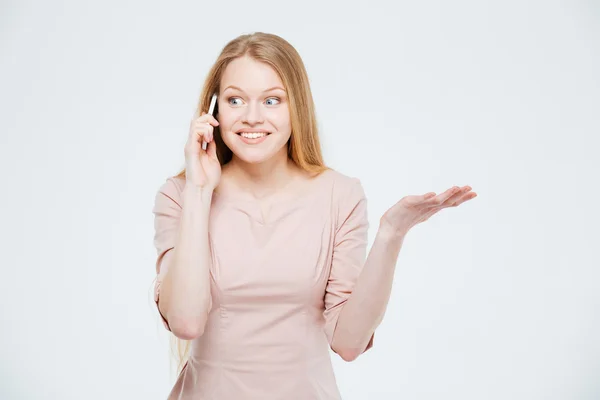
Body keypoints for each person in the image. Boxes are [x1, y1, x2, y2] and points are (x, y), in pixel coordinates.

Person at [151, 32, 477, 400]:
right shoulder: (180, 196)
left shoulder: (340, 195)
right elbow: (186, 321)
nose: (252, 118)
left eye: (272, 100)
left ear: (297, 108)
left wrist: (391, 234)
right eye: (235, 100)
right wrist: (199, 191)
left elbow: (350, 343)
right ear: (214, 111)